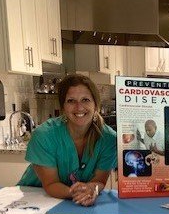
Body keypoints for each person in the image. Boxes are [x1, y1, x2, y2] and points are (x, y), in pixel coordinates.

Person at [17, 74, 117, 206]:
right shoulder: (45, 135)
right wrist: (80, 194)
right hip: (36, 198)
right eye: (71, 101)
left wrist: (92, 189)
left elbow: (99, 181)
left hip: (79, 202)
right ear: (63, 107)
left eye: (85, 100)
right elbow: (51, 184)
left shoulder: (109, 139)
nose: (79, 107)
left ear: (96, 105)